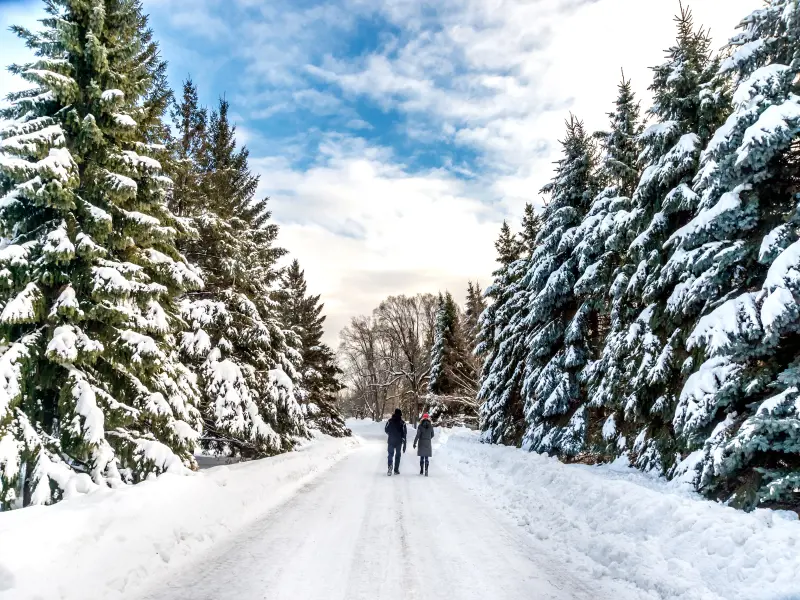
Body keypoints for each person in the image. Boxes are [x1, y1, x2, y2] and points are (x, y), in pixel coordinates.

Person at [384, 408, 407, 476]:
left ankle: (390, 466)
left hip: (391, 440)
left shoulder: (390, 421)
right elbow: (404, 433)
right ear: (400, 414)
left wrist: (390, 434)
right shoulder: (402, 423)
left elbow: (386, 429)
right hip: (398, 442)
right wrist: (404, 442)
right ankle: (396, 470)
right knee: (398, 455)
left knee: (390, 454)